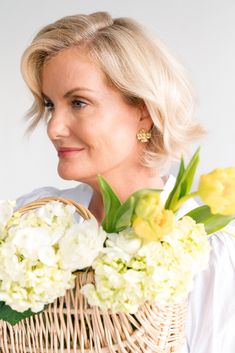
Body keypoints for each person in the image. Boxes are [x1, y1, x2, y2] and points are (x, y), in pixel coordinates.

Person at [16, 11, 234, 353]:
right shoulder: (32, 222)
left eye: (78, 102)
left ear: (143, 111)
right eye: (49, 105)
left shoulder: (207, 251)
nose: (54, 127)